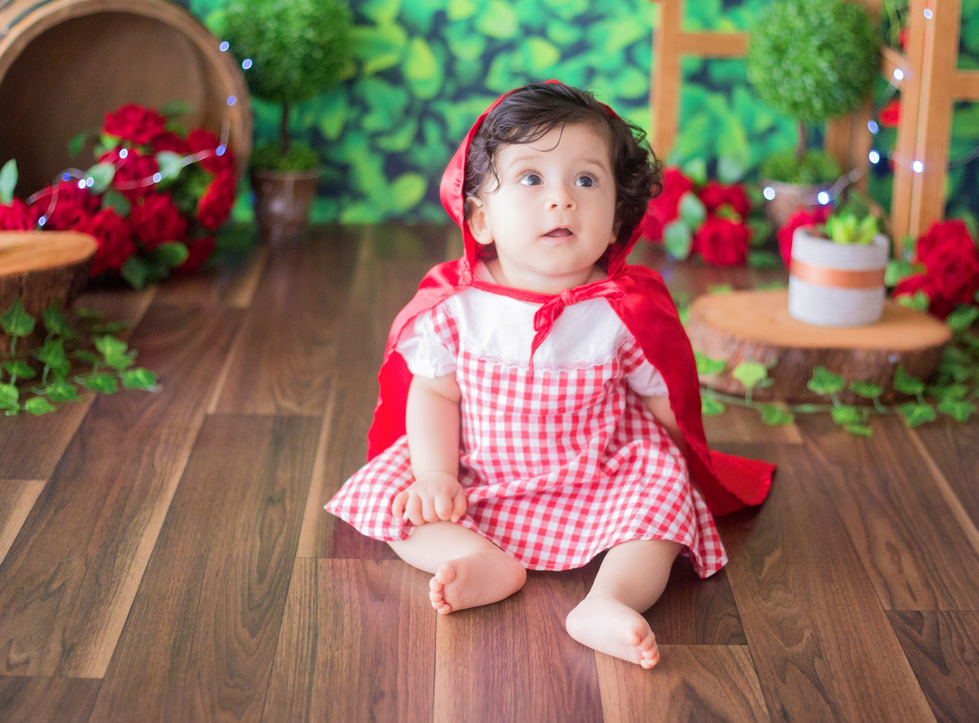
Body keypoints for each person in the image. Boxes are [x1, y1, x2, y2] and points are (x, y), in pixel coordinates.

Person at [325, 81, 774, 669]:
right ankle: (480, 558)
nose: (561, 199)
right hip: (475, 469)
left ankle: (608, 600)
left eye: (585, 180)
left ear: (618, 220)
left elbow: (664, 394)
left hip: (599, 469)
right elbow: (434, 391)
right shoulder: (458, 307)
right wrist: (436, 474)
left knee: (663, 509)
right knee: (398, 510)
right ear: (480, 218)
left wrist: (683, 454)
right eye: (532, 179)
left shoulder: (618, 310)